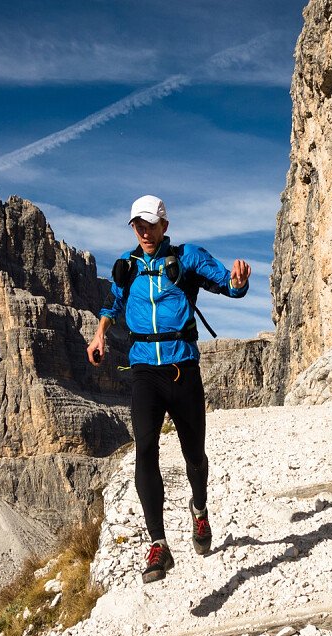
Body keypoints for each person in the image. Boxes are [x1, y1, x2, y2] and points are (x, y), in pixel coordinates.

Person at [87, 195, 251, 583]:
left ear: (163, 225)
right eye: (136, 225)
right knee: (146, 448)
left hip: (182, 367)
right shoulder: (125, 267)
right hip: (145, 370)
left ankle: (200, 510)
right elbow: (112, 305)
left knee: (194, 454)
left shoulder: (188, 257)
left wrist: (239, 282)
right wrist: (99, 336)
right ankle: (158, 544)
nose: (143, 231)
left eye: (148, 224)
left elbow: (228, 285)